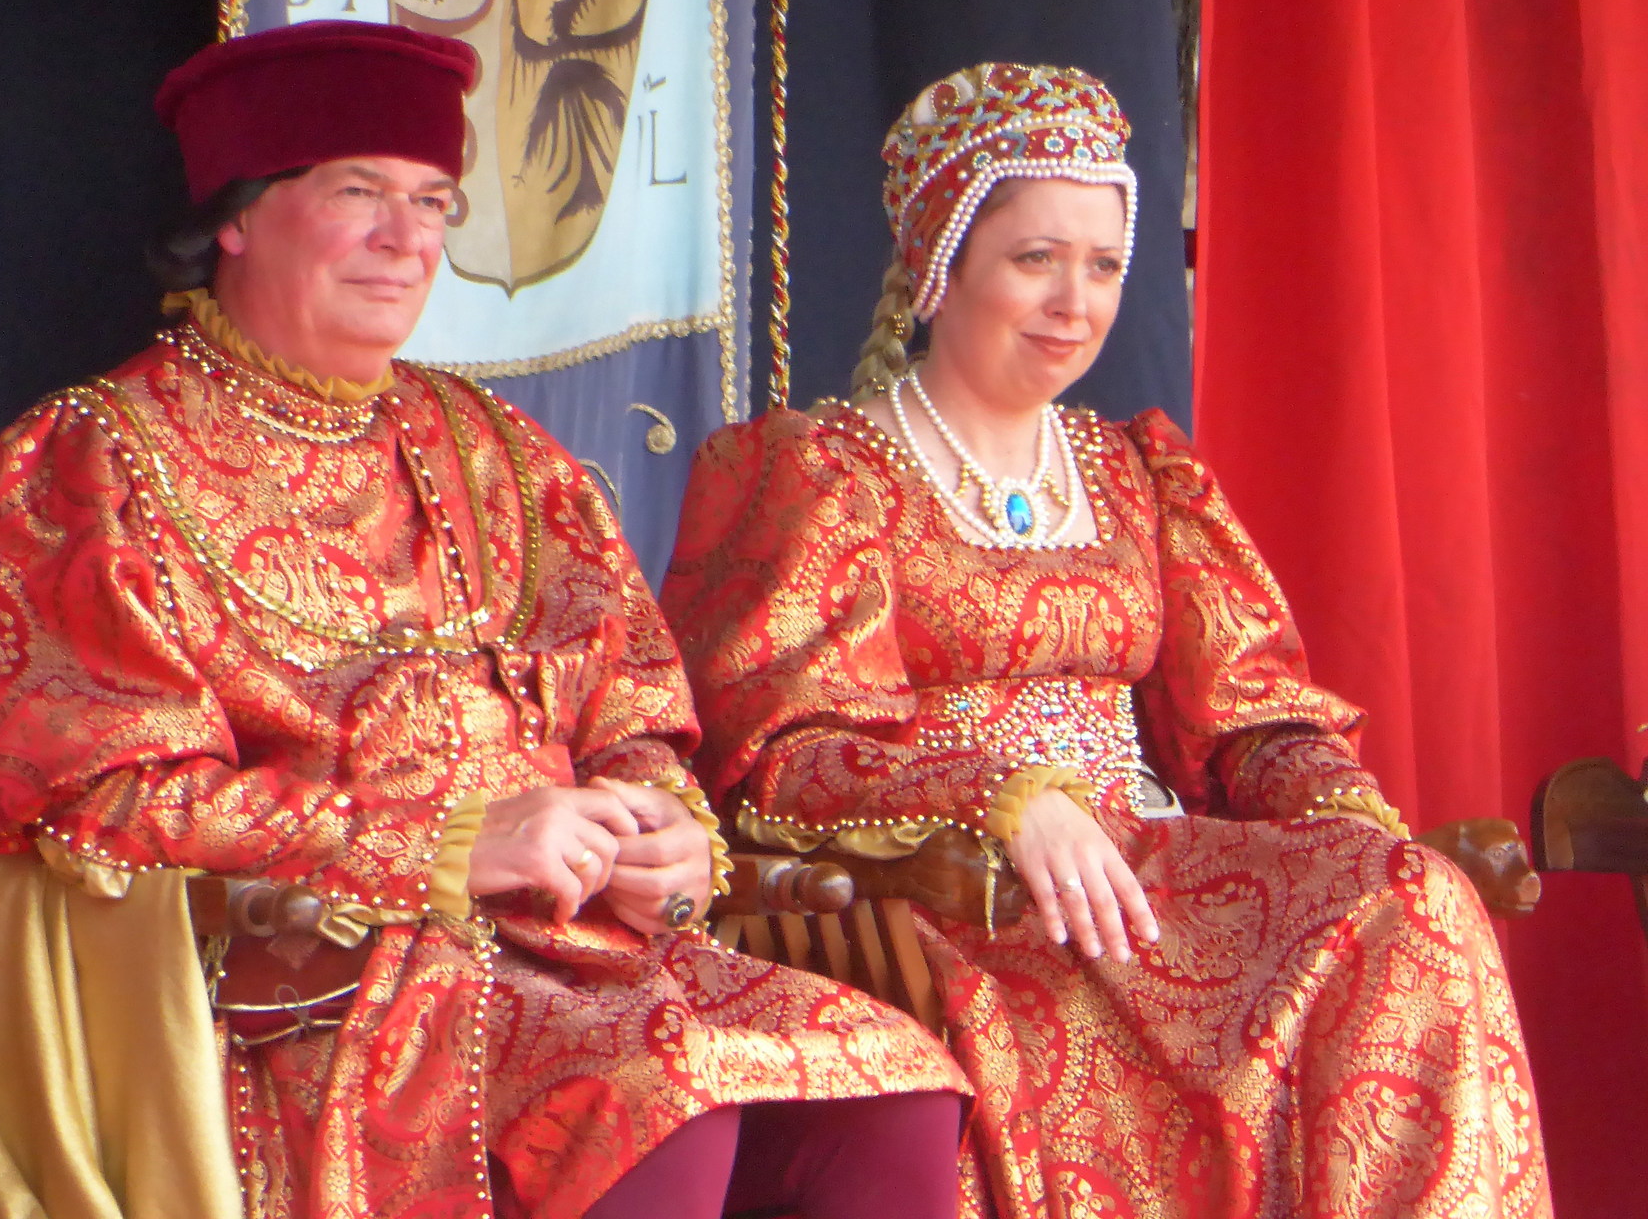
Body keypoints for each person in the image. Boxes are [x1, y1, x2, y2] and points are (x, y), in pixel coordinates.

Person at [0, 22, 966, 1219]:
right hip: (310, 977)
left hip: (586, 950)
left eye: (434, 202)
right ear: (236, 214)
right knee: (654, 1093)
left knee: (891, 1078)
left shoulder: (501, 451)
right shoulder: (91, 461)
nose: (406, 240)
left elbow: (629, 703)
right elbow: (94, 800)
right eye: (359, 194)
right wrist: (451, 845)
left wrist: (666, 834)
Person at [661, 64, 1551, 1219]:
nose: (1074, 302)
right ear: (940, 264)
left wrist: (1347, 817)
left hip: (1148, 869)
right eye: (1036, 259)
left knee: (1409, 899)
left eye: (1104, 265)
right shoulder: (820, 470)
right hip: (955, 896)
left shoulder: (1137, 470)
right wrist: (1003, 798)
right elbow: (774, 753)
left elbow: (1251, 715)